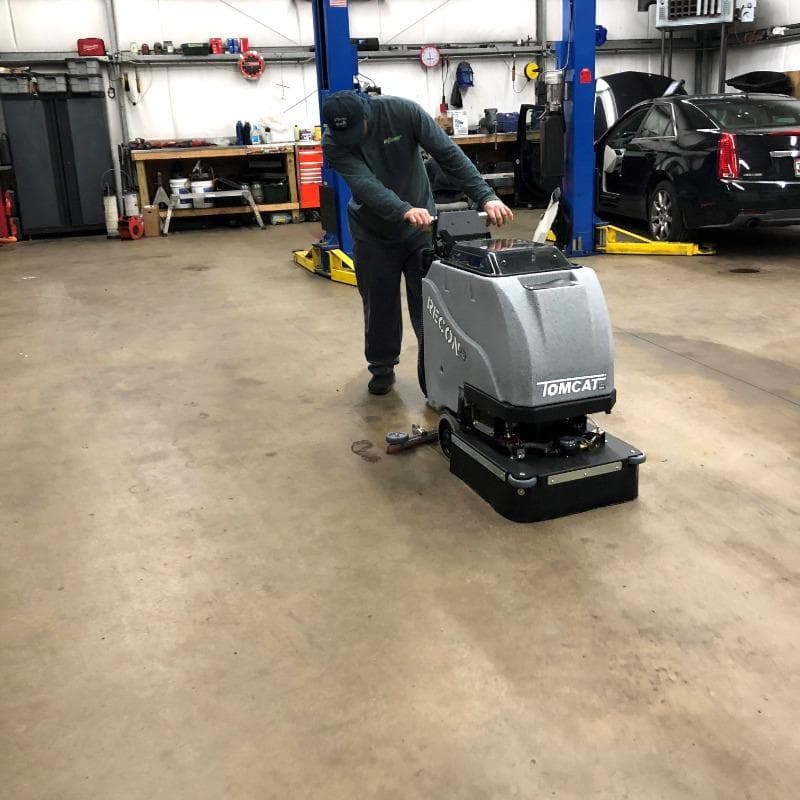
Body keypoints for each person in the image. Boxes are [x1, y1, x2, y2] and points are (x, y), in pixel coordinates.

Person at [321, 90, 513, 395]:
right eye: (346, 135)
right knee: (378, 303)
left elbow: (447, 154)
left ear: (367, 114)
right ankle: (382, 366)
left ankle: (435, 367)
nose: (353, 139)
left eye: (358, 131)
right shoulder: (333, 142)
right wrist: (403, 210)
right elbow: (365, 185)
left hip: (421, 229)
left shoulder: (403, 112)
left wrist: (485, 195)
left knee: (429, 303)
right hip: (372, 231)